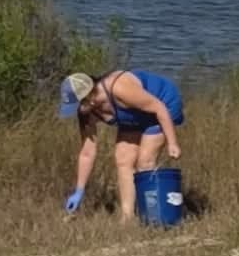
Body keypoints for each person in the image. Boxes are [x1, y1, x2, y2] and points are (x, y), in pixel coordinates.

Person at [57, 70, 184, 224]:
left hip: (163, 104)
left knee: (145, 161)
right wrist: (79, 190)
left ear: (89, 98)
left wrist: (172, 142)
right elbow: (87, 153)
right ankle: (127, 217)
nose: (77, 111)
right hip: (135, 115)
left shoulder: (120, 88)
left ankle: (153, 216)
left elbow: (158, 108)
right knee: (123, 159)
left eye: (77, 105)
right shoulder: (86, 112)